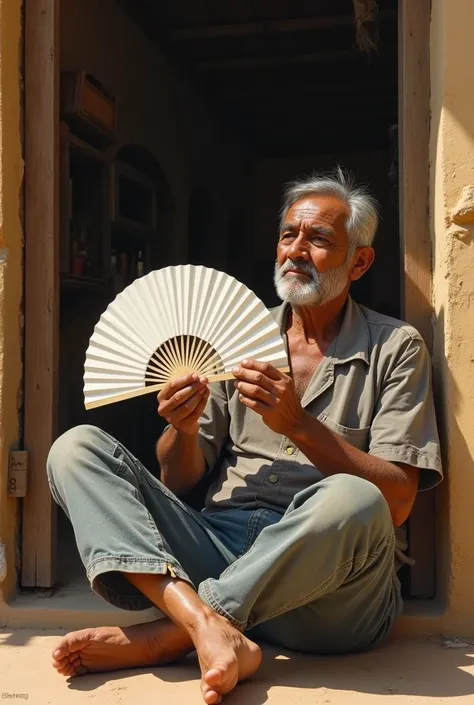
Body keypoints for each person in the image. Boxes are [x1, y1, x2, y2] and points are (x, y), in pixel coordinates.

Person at [47, 170, 442, 704]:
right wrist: (182, 430)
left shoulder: (396, 346)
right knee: (76, 449)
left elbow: (395, 501)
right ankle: (203, 622)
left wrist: (299, 426)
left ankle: (168, 636)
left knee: (354, 497)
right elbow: (180, 478)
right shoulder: (240, 337)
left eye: (319, 239)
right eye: (288, 235)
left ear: (360, 262)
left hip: (330, 599)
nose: (296, 251)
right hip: (218, 550)